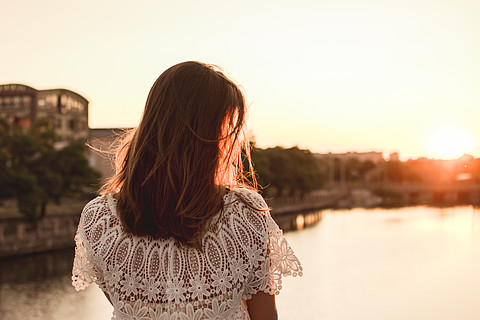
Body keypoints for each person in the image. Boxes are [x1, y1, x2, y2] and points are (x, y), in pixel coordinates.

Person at [72, 61, 302, 320]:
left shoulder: (98, 219)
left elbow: (127, 304)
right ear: (210, 137)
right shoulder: (246, 214)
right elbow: (265, 316)